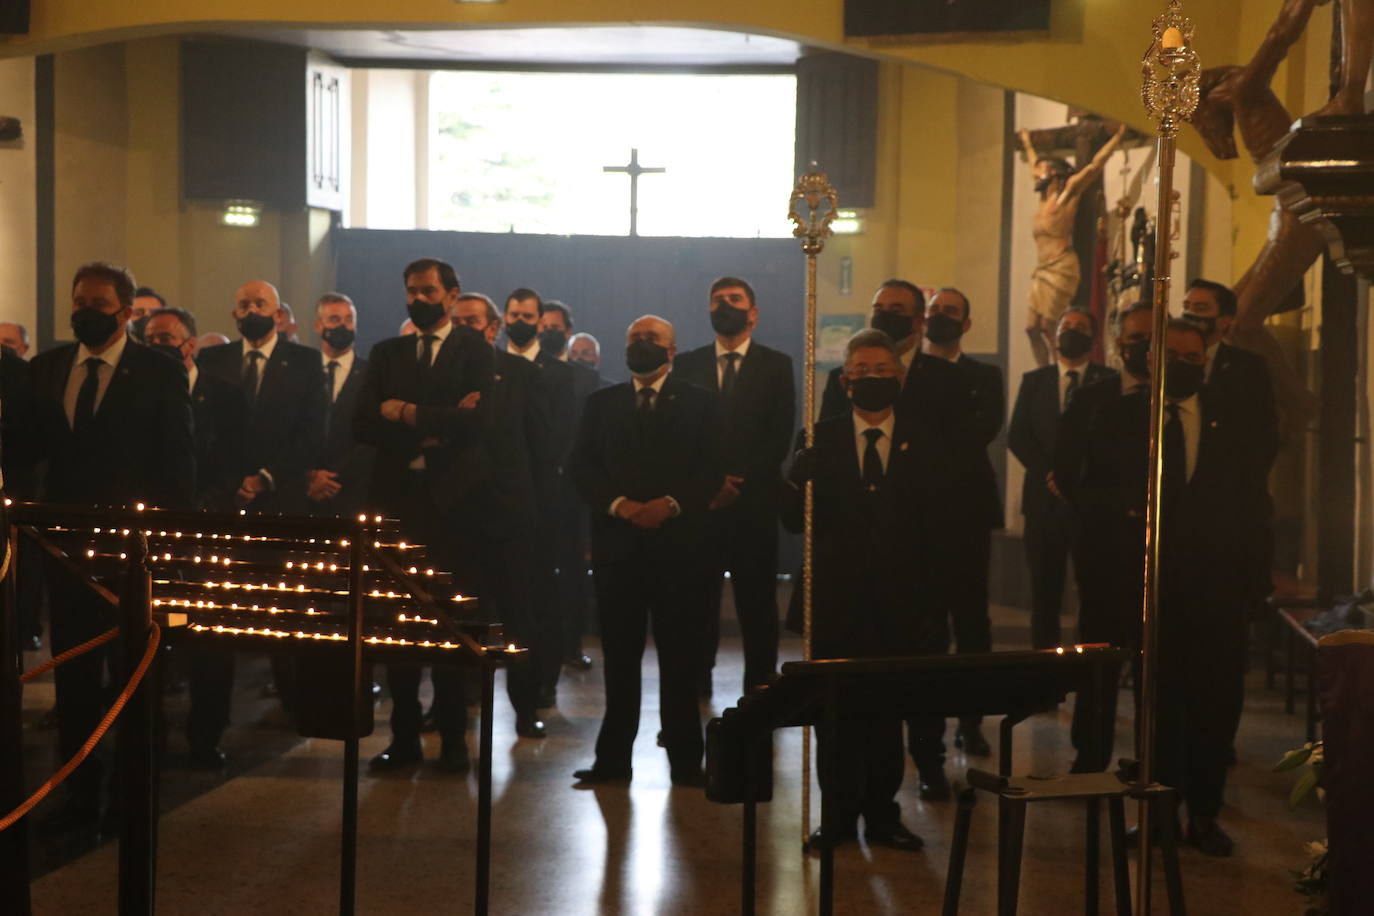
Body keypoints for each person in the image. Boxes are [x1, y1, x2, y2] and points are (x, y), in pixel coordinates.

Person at [24, 262, 194, 827]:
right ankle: (77, 788)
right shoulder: (48, 368)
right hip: (65, 545)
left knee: (131, 670)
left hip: (131, 546)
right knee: (72, 669)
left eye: (98, 303)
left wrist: (170, 542)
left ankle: (132, 788)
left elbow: (176, 462)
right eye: (79, 301)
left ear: (124, 312)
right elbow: (31, 450)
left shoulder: (159, 372)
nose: (85, 312)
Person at [783, 329, 948, 850]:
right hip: (836, 600)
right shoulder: (820, 436)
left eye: (881, 370)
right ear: (844, 379)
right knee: (836, 717)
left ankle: (882, 815)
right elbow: (792, 522)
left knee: (884, 717)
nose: (871, 379)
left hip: (902, 602)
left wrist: (931, 605)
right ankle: (835, 819)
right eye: (860, 371)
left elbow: (939, 527)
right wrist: (796, 479)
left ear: (899, 378)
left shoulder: (925, 438)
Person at [567, 315, 723, 787]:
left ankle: (685, 761)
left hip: (680, 550)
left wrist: (670, 505)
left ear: (672, 351)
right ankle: (613, 761)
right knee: (619, 661)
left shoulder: (701, 403)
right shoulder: (601, 403)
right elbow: (581, 466)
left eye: (652, 338)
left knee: (681, 661)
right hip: (620, 549)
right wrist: (622, 506)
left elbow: (712, 468)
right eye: (634, 337)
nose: (641, 344)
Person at [354, 257, 493, 772]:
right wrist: (438, 420)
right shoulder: (387, 351)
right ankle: (405, 736)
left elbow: (476, 424)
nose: (419, 298)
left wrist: (406, 412)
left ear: (452, 296)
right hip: (396, 503)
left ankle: (454, 738)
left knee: (449, 625)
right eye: (412, 290)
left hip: (454, 509)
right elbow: (363, 422)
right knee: (398, 627)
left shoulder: (477, 351)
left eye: (429, 290)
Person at [674, 276, 794, 695]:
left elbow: (779, 435)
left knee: (758, 604)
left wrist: (737, 482)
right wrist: (710, 485)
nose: (725, 305)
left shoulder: (777, 365)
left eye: (735, 299)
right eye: (717, 300)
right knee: (698, 603)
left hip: (755, 502)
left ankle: (761, 688)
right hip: (702, 504)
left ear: (753, 313)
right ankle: (697, 684)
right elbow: (683, 435)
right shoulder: (687, 364)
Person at [449, 290, 555, 737]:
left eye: (474, 322)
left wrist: (533, 511)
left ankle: (525, 706)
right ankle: (455, 704)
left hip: (511, 516)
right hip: (456, 517)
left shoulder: (519, 373)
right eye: (459, 322)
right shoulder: (441, 376)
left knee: (517, 616)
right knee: (458, 617)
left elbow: (541, 447)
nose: (466, 329)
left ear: (493, 328)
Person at [145, 306, 246, 766]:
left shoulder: (223, 393)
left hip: (209, 531)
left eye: (165, 337)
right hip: (156, 533)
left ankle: (206, 735)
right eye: (148, 336)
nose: (156, 344)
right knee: (155, 633)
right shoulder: (137, 392)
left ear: (189, 345)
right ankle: (151, 733)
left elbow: (234, 458)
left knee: (210, 641)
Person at [1054, 302, 1152, 777]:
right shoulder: (1093, 399)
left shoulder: (1186, 397)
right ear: (1117, 342)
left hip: (1169, 555)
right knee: (1099, 657)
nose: (1146, 349)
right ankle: (1090, 752)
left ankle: (1156, 756)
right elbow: (1066, 471)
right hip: (1104, 546)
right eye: (1136, 339)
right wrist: (1117, 506)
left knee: (1160, 661)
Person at [921, 287, 1003, 758]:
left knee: (972, 622)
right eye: (934, 311)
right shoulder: (909, 372)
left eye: (950, 312)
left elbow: (979, 432)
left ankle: (971, 722)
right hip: (919, 514)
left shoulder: (984, 376)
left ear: (966, 324)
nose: (940, 318)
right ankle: (927, 729)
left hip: (968, 512)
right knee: (927, 625)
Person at [1008, 308, 1116, 649]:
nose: (1071, 332)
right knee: (1044, 593)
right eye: (1065, 326)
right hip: (1043, 502)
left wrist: (1077, 477)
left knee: (1095, 593)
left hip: (1090, 502)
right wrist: (1051, 474)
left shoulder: (1109, 381)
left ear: (1093, 337)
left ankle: (1090, 672)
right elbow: (1018, 436)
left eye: (1080, 327)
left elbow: (1114, 439)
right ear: (1055, 336)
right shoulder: (1034, 381)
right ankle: (1045, 676)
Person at [502, 287, 576, 705]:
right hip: (496, 505)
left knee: (541, 602)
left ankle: (540, 684)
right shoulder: (490, 367)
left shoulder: (558, 373)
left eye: (528, 316)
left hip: (544, 503)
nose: (521, 322)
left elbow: (562, 438)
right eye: (513, 314)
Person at [197, 280, 326, 517]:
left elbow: (312, 429)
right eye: (244, 306)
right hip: (224, 495)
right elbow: (204, 423)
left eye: (260, 304)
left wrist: (265, 478)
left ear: (277, 315)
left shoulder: (305, 362)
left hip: (282, 494)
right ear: (235, 314)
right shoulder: (212, 359)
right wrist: (234, 480)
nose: (252, 311)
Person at [1016, 124, 1126, 366]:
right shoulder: (1042, 202)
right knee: (1031, 328)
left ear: (1055, 174)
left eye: (1041, 173)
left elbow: (1094, 167)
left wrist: (1117, 138)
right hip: (1042, 270)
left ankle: (1060, 370)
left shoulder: (1068, 195)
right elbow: (1034, 161)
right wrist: (1026, 141)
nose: (1036, 175)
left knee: (1047, 326)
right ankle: (1045, 371)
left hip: (1062, 267)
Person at [537, 300, 603, 670]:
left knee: (573, 571)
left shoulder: (585, 377)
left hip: (573, 488)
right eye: (542, 324)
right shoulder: (524, 369)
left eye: (554, 325)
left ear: (566, 330)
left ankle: (571, 643)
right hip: (534, 487)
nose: (547, 330)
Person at [819, 279, 960, 428]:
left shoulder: (946, 376)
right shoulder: (843, 377)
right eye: (878, 310)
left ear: (918, 321)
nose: (884, 317)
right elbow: (828, 434)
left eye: (896, 311)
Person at [306, 293, 374, 518]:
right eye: (335, 320)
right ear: (319, 325)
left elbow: (370, 436)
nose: (343, 325)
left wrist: (335, 478)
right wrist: (310, 475)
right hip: (304, 490)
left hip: (353, 492)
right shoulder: (301, 371)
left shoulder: (372, 374)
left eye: (349, 319)